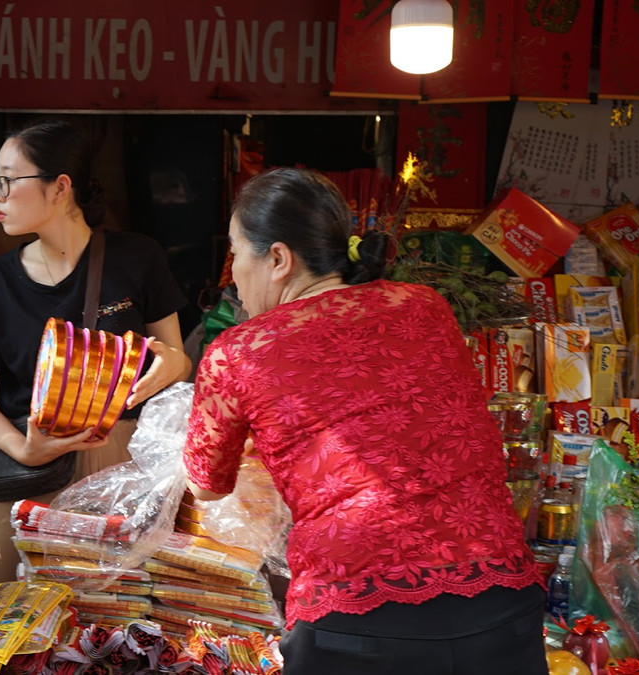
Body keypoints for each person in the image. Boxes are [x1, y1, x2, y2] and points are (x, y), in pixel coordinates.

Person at [183, 168, 547, 675]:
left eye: (236, 252)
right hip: (501, 601)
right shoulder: (425, 307)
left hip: (359, 618)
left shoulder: (238, 353)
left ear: (279, 259)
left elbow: (205, 485)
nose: (232, 272)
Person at [0, 120, 191, 586]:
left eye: (8, 180)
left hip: (120, 467)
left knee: (115, 620)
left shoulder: (137, 258)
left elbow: (180, 359)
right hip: (28, 468)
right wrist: (21, 447)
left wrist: (169, 366)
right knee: (11, 620)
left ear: (60, 186)